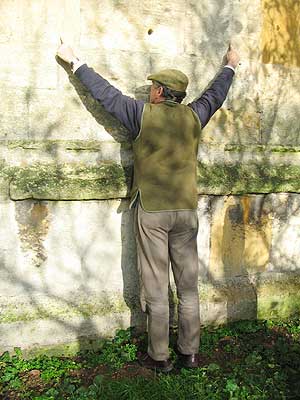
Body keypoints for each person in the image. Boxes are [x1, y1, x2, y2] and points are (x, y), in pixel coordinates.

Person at [56, 40, 240, 372]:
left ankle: (160, 357)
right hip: (185, 211)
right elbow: (216, 95)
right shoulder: (195, 115)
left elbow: (106, 95)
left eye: (153, 87)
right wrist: (230, 65)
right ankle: (190, 353)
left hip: (153, 212)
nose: (149, 92)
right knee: (188, 286)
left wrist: (76, 62)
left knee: (156, 286)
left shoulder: (142, 115)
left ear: (159, 92)